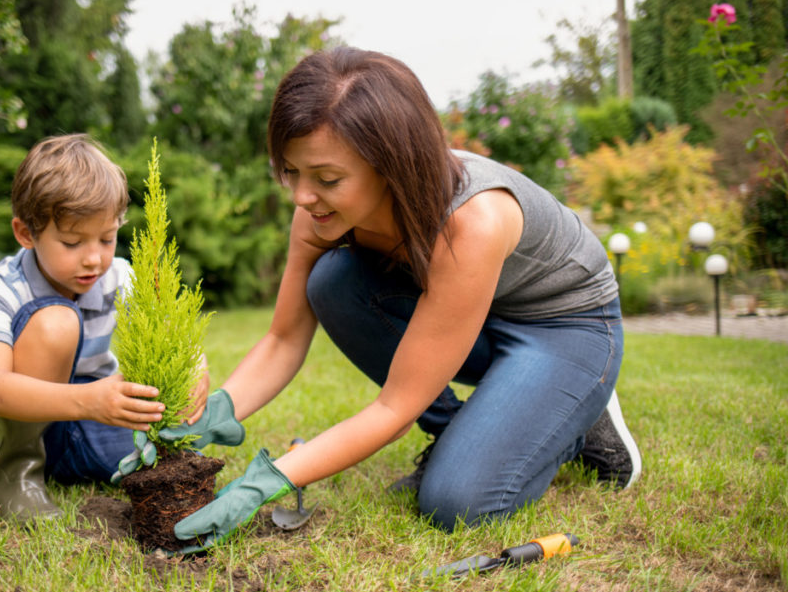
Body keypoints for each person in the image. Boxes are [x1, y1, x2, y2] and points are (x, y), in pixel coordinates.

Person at [170, 47, 641, 552]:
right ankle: (461, 430)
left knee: (457, 503)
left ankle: (576, 418)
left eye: (327, 179)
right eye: (292, 172)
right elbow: (284, 339)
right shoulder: (317, 214)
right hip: (468, 319)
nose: (302, 198)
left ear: (391, 165)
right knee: (332, 280)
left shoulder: (471, 222)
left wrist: (266, 481)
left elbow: (394, 408)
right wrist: (217, 414)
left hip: (564, 328)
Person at [0, 133, 210, 525]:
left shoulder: (120, 277)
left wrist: (195, 368)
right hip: (3, 418)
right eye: (72, 242)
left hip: (82, 418)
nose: (94, 259)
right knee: (57, 321)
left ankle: (68, 465)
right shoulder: (0, 285)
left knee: (157, 453)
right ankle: (16, 473)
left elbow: (172, 335)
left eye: (107, 238)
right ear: (26, 233)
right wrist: (89, 399)